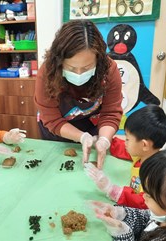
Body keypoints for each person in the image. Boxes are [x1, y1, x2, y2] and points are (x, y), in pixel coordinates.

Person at [34, 19, 123, 168]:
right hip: (57, 130)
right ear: (60, 61)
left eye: (87, 67)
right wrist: (81, 137)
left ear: (98, 60)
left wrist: (104, 140)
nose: (79, 73)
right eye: (71, 68)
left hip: (91, 126)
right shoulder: (48, 72)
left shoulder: (108, 70)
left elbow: (111, 113)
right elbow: (51, 118)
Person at [85, 104, 166, 209]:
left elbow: (144, 202)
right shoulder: (144, 153)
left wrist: (112, 190)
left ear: (144, 144)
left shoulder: (154, 176)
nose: (125, 142)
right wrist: (102, 141)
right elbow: (123, 148)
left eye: (128, 139)